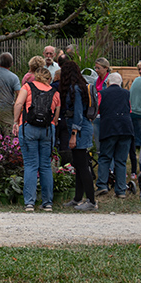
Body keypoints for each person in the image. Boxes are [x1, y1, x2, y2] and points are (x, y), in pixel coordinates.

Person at [12, 58, 59, 211]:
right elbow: (56, 116)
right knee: (45, 165)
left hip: (28, 127)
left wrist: (15, 121)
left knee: (31, 165)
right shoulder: (55, 92)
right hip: (47, 129)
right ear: (49, 78)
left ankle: (30, 202)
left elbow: (19, 103)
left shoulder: (27, 86)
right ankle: (47, 203)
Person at [57, 58, 97, 211]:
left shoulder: (76, 90)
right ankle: (78, 198)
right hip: (80, 128)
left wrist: (74, 134)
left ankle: (91, 201)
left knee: (82, 165)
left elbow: (79, 114)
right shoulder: (77, 87)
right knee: (79, 165)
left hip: (79, 130)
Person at [95, 73, 133, 199]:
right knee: (121, 161)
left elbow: (97, 110)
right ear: (121, 83)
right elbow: (130, 110)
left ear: (107, 83)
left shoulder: (102, 93)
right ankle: (121, 190)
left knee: (105, 157)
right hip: (126, 128)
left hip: (109, 128)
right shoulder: (126, 93)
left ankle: (102, 185)